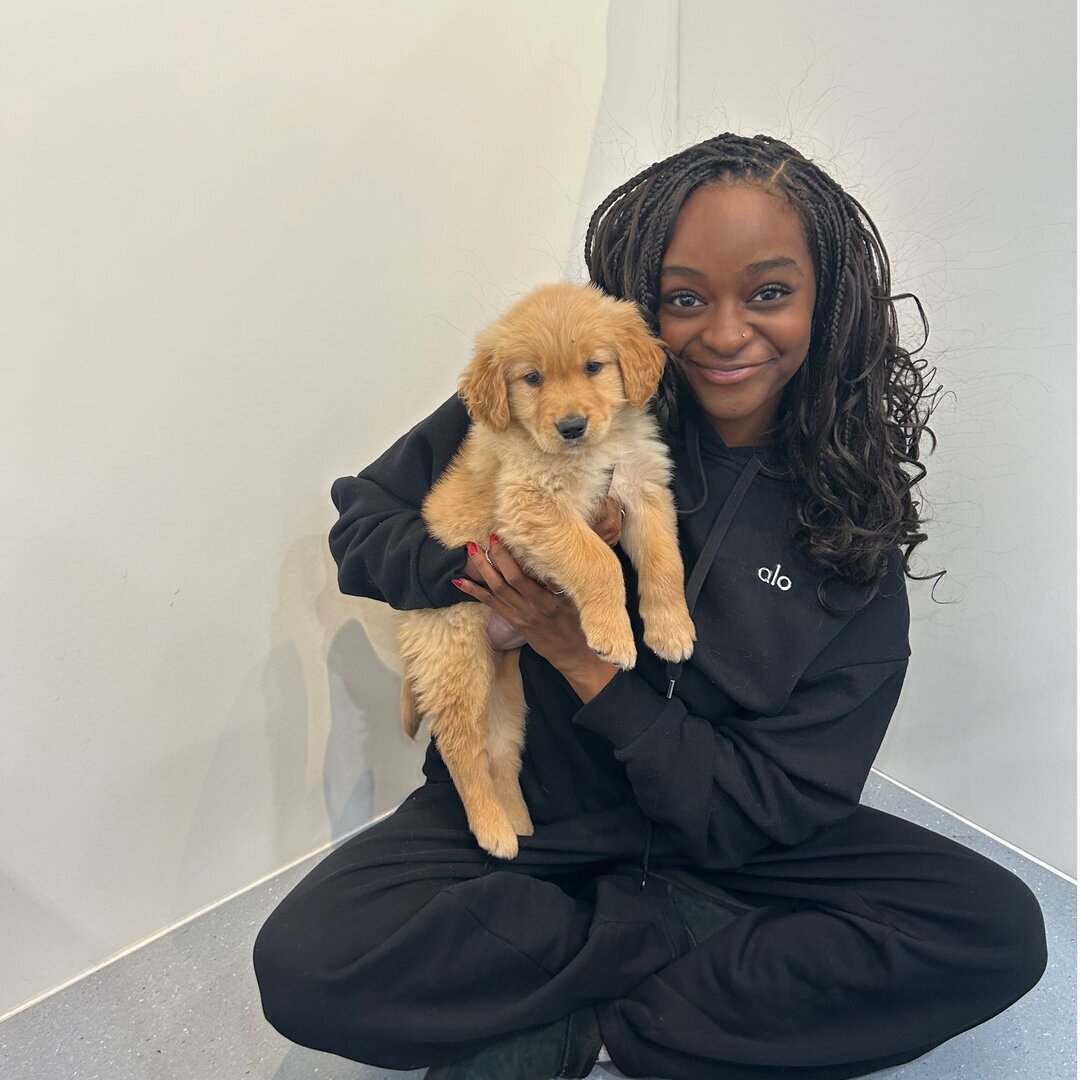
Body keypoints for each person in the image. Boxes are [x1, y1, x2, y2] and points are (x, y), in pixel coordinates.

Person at [253, 133, 1047, 1080]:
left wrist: (581, 658)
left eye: (768, 292)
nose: (725, 333)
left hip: (723, 840)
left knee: (993, 930)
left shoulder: (848, 522)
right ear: (644, 304)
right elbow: (364, 522)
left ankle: (587, 1014)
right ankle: (668, 963)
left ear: (826, 301)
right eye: (686, 298)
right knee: (306, 964)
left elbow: (787, 797)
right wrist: (486, 565)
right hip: (543, 805)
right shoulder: (560, 387)